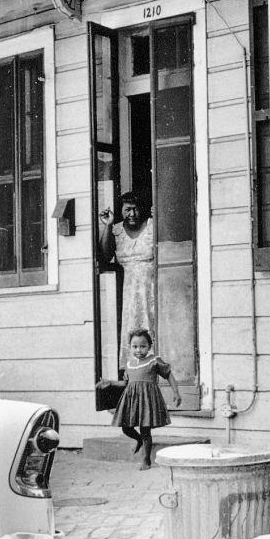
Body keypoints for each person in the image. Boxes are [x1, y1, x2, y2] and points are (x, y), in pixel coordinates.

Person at [99, 192, 156, 368]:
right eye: (128, 209)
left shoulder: (152, 225)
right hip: (129, 292)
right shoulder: (116, 230)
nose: (132, 214)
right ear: (121, 211)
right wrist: (107, 226)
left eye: (136, 209)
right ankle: (134, 371)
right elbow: (105, 255)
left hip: (152, 289)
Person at [112, 328, 181, 469]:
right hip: (131, 400)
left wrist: (176, 392)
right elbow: (126, 383)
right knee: (126, 428)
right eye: (135, 346)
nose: (138, 350)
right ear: (130, 347)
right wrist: (110, 382)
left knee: (145, 430)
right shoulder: (129, 364)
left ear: (149, 347)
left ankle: (146, 460)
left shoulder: (154, 360)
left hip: (147, 400)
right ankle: (138, 440)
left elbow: (168, 374)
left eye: (142, 346)